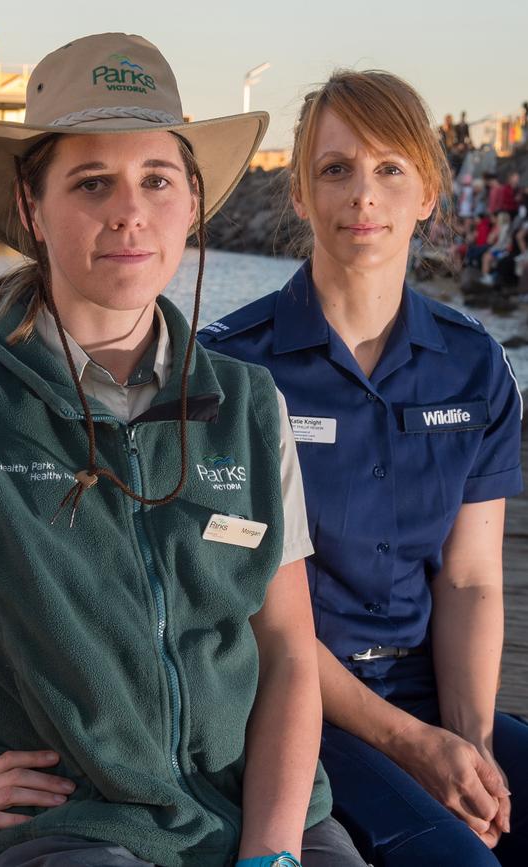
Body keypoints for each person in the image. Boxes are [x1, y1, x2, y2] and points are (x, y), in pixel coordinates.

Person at [0, 34, 367, 867]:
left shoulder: (248, 404)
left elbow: (286, 649)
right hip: (66, 832)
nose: (129, 211)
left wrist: (275, 850)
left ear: (192, 202)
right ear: (31, 208)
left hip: (262, 817)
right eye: (91, 182)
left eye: (156, 180)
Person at [199, 69, 527, 866]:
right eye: (336, 169)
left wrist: (471, 742)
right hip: (285, 703)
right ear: (303, 196)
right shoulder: (230, 369)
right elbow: (242, 607)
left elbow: (472, 579)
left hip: (424, 688)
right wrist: (415, 746)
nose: (363, 195)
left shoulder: (474, 365)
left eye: (389, 169)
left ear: (427, 194)